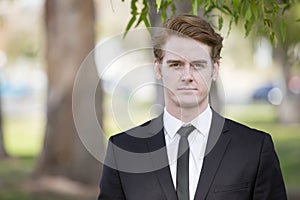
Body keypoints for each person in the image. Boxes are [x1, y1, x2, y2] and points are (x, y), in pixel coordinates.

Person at [98, 14, 287, 200]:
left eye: (197, 64)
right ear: (158, 68)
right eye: (176, 64)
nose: (187, 76)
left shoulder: (255, 148)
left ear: (215, 69)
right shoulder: (122, 150)